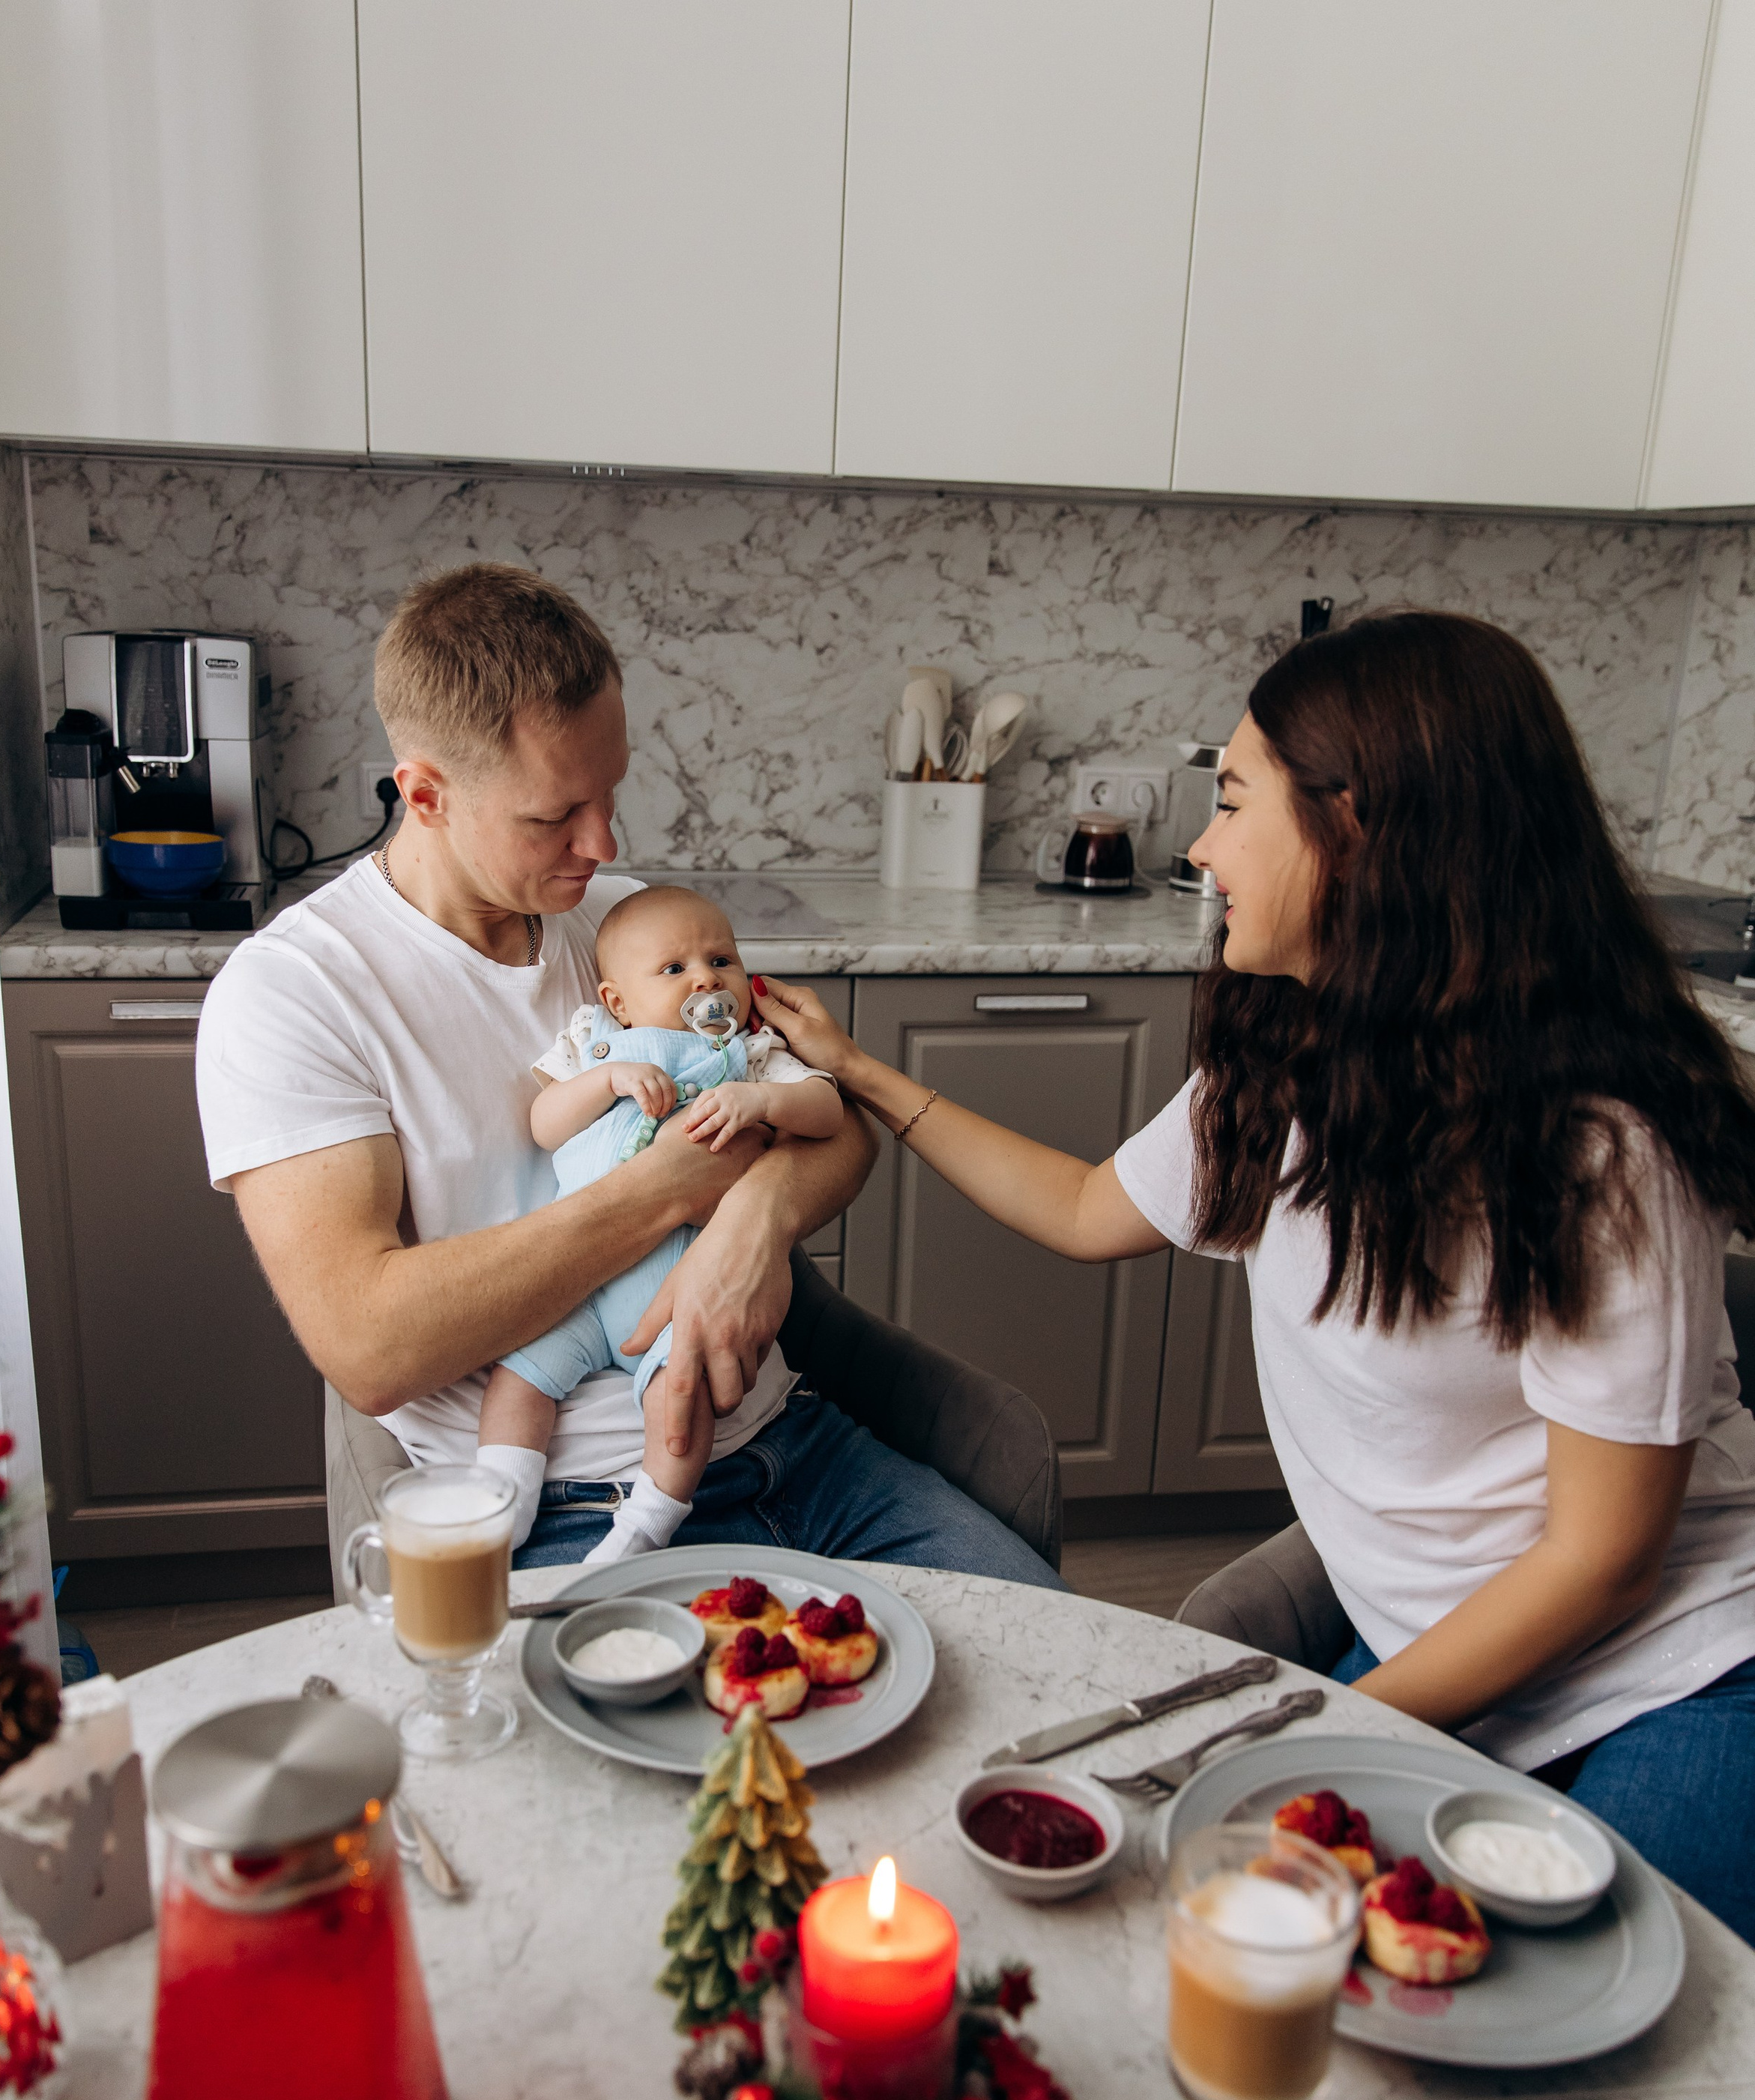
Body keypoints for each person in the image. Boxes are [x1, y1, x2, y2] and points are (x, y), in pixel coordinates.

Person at [758, 611, 1755, 1943]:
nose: (1201, 847)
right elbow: (1083, 1206)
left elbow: (1604, 1561)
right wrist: (865, 1073)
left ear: (1360, 827)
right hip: (1438, 1661)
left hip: (1674, 1674)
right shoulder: (1285, 1058)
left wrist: (1349, 1722)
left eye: (1231, 803)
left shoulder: (1599, 1143)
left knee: (1635, 2016)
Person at [194, 560, 1059, 1585]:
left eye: (610, 793)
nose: (603, 843)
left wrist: (752, 1226)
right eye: (553, 816)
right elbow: (370, 1347)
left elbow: (837, 1122)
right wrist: (671, 1190)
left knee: (1045, 1668)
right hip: (563, 1511)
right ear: (424, 793)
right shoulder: (298, 992)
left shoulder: (641, 926)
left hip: (808, 1459)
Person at [477, 882, 842, 1566]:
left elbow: (829, 1113)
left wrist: (760, 1098)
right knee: (519, 1378)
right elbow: (543, 1123)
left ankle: (649, 1520)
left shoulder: (755, 1053)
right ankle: (502, 1499)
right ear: (617, 1001)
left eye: (722, 961)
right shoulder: (594, 1042)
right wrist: (607, 1083)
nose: (706, 978)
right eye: (675, 970)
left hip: (687, 1294)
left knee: (685, 1392)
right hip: (584, 1293)